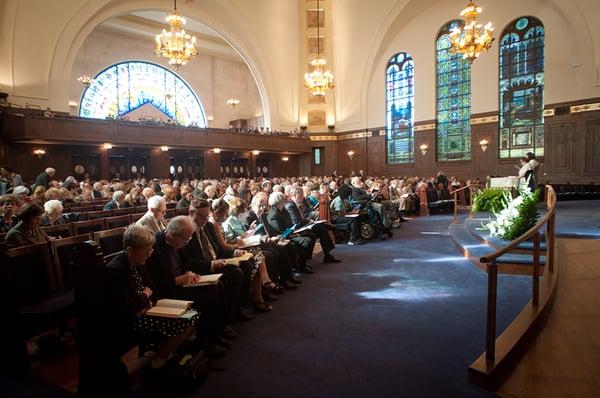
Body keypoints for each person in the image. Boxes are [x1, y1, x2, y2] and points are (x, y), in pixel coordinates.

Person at [105, 225, 198, 369]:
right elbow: (129, 306)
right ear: (130, 250)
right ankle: (159, 361)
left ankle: (164, 353)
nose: (150, 254)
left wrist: (146, 300)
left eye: (151, 250)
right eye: (147, 251)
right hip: (130, 321)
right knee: (186, 322)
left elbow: (153, 289)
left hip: (146, 310)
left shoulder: (139, 261)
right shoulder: (116, 269)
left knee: (191, 314)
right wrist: (145, 296)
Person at [146, 216, 229, 358]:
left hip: (183, 283)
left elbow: (187, 262)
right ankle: (205, 343)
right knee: (207, 296)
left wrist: (189, 273)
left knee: (218, 286)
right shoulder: (156, 246)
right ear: (173, 234)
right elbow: (155, 281)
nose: (187, 243)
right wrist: (177, 280)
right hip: (169, 290)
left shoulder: (178, 242)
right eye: (186, 239)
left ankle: (215, 334)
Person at [286, 186, 340, 264]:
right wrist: (309, 221)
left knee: (322, 229)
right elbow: (296, 222)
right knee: (320, 228)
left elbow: (302, 217)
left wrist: (309, 221)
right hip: (297, 230)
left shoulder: (297, 204)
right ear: (294, 195)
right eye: (300, 195)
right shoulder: (290, 206)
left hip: (302, 226)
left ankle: (328, 255)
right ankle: (333, 228)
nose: (302, 197)